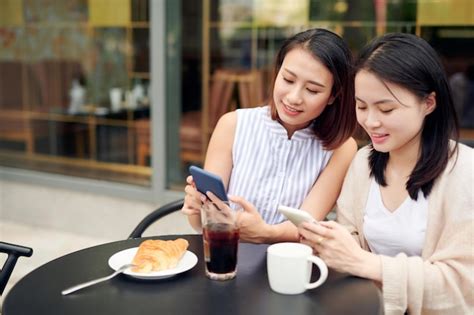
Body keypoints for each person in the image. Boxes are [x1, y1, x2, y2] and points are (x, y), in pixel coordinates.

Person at [298, 33, 473, 314]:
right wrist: (329, 243)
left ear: (428, 103)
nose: (371, 121)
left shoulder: (465, 173)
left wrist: (363, 262)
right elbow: (351, 237)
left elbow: (461, 285)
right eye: (361, 106)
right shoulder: (363, 162)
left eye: (386, 108)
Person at [182, 28, 358, 243]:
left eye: (312, 90)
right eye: (288, 79)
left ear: (333, 96)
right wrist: (196, 208)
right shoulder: (232, 125)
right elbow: (201, 224)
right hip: (227, 257)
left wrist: (266, 233)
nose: (294, 98)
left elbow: (307, 225)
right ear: (276, 73)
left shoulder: (341, 148)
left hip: (291, 264)